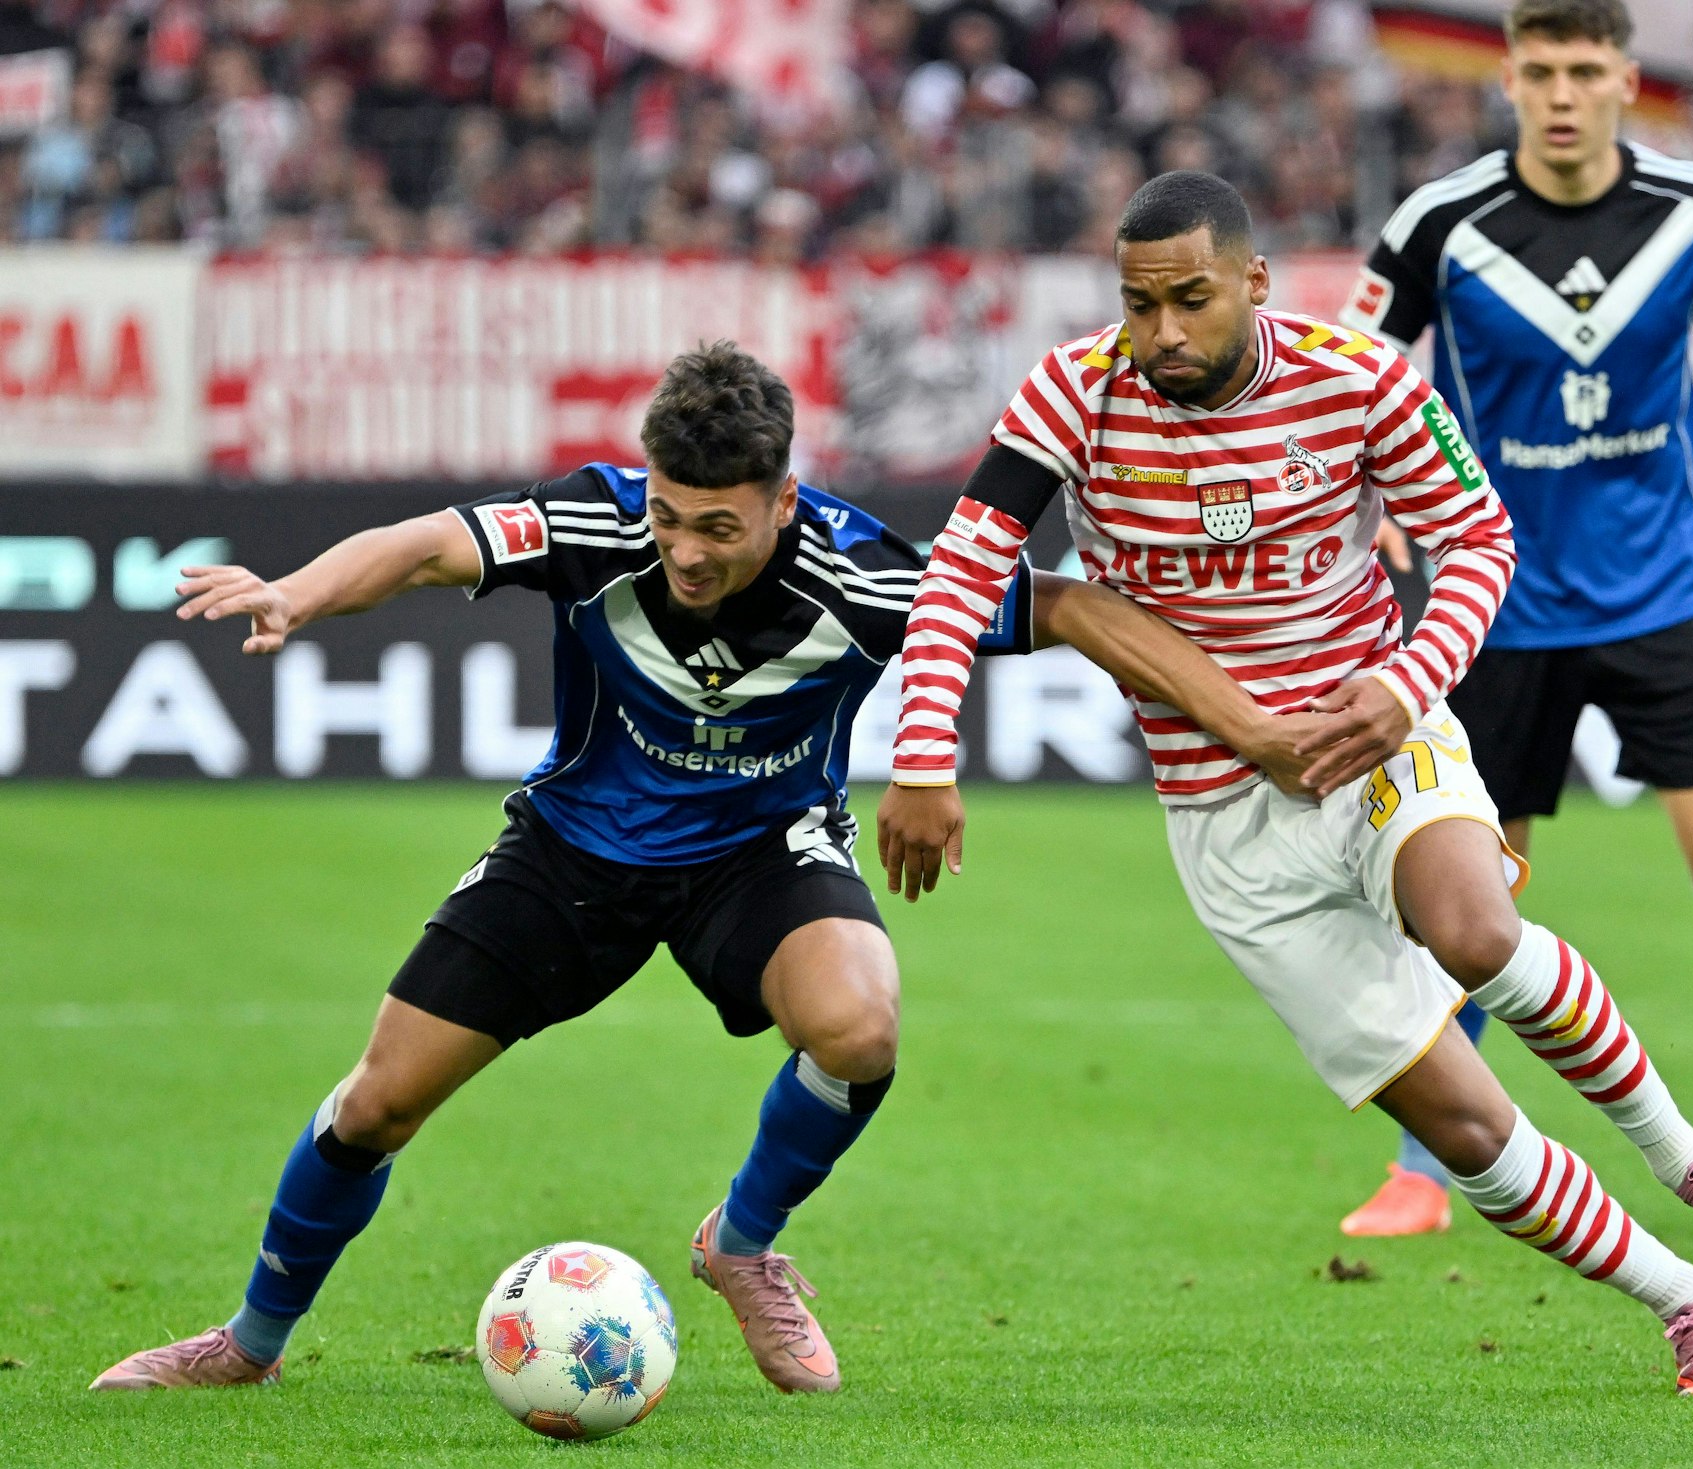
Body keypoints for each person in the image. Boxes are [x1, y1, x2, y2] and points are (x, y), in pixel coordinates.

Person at [87, 340, 1282, 1398]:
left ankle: (741, 1244)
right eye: (668, 517)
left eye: (719, 527)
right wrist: (295, 594)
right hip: (571, 852)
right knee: (376, 1104)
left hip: (758, 857)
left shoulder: (861, 574)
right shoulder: (594, 524)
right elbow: (425, 547)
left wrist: (1251, 726)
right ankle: (248, 1343)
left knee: (858, 1027)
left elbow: (1068, 609)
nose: (685, 552)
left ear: (783, 502)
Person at [876, 169, 1693, 1396]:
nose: (1161, 332)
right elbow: (960, 572)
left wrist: (1402, 683)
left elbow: (1479, 539)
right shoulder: (1072, 392)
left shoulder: (1356, 378)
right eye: (1137, 304)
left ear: (1254, 283)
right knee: (1467, 1130)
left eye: (1190, 300)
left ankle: (1684, 1154)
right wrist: (922, 756)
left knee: (1472, 927)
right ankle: (1685, 1301)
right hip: (1221, 818)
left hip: (1379, 737)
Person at [1335, 0, 1693, 1237]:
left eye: (1582, 71)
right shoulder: (1439, 222)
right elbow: (1350, 376)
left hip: (1662, 586)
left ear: (1622, 78)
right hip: (1491, 596)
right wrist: (1372, 503)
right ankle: (1420, 1168)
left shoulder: (1691, 212)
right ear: (1507, 80)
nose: (1560, 94)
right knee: (1466, 888)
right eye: (1539, 71)